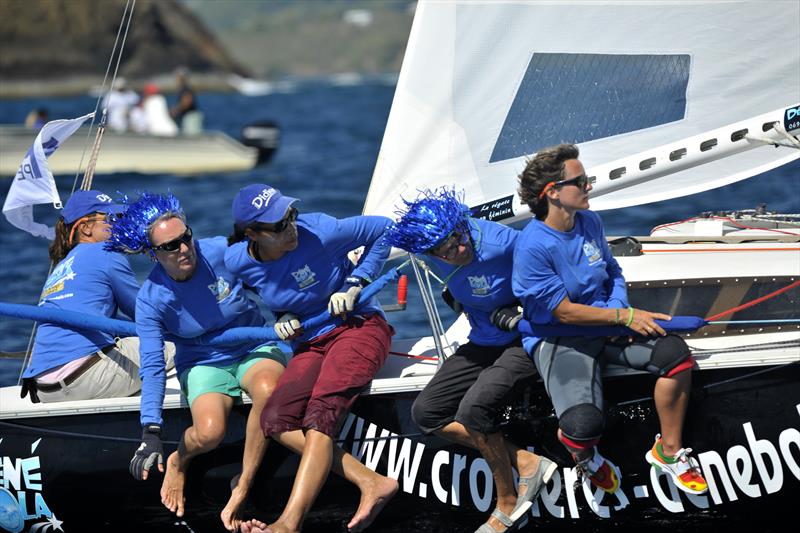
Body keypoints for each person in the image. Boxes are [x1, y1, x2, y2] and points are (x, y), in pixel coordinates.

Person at [512, 143, 708, 496]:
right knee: (583, 425)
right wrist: (623, 316)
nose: (589, 186)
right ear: (552, 193)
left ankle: (669, 451)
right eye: (581, 180)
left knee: (675, 357)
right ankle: (584, 457)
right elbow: (564, 311)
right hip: (562, 337)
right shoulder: (533, 246)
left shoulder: (590, 221)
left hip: (607, 325)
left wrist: (619, 314)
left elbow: (612, 272)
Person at [106, 192, 289, 532]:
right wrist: (151, 429)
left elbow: (275, 279)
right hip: (203, 361)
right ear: (153, 254)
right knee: (208, 433)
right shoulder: (151, 299)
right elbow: (153, 366)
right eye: (171, 247)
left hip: (252, 345)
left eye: (186, 238)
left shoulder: (220, 251)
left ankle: (243, 485)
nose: (184, 249)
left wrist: (293, 309)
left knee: (267, 388)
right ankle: (181, 460)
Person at [225, 184, 398, 533]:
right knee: (274, 419)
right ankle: (371, 482)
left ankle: (289, 523)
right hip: (311, 343)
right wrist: (282, 314)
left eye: (290, 215)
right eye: (278, 225)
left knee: (321, 413)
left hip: (358, 327)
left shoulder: (321, 230)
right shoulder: (236, 261)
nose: (290, 226)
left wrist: (355, 282)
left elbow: (387, 229)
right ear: (252, 234)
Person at [383, 188, 557, 533]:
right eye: (444, 249)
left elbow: (555, 273)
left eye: (458, 238)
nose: (458, 249)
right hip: (483, 339)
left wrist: (525, 309)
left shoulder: (502, 242)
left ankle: (506, 503)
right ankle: (525, 461)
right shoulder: (428, 252)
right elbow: (374, 237)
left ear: (462, 224)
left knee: (474, 412)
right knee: (426, 413)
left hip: (527, 337)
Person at [20, 190, 150, 404]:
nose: (119, 225)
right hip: (86, 378)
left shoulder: (60, 266)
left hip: (43, 388)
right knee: (181, 345)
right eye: (111, 219)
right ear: (85, 227)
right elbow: (144, 314)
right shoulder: (106, 252)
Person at [170, 68, 203, 134]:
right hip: (189, 116)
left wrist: (175, 110)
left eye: (177, 77)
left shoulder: (186, 89)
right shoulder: (184, 89)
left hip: (191, 116)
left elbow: (187, 102)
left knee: (192, 137)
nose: (176, 79)